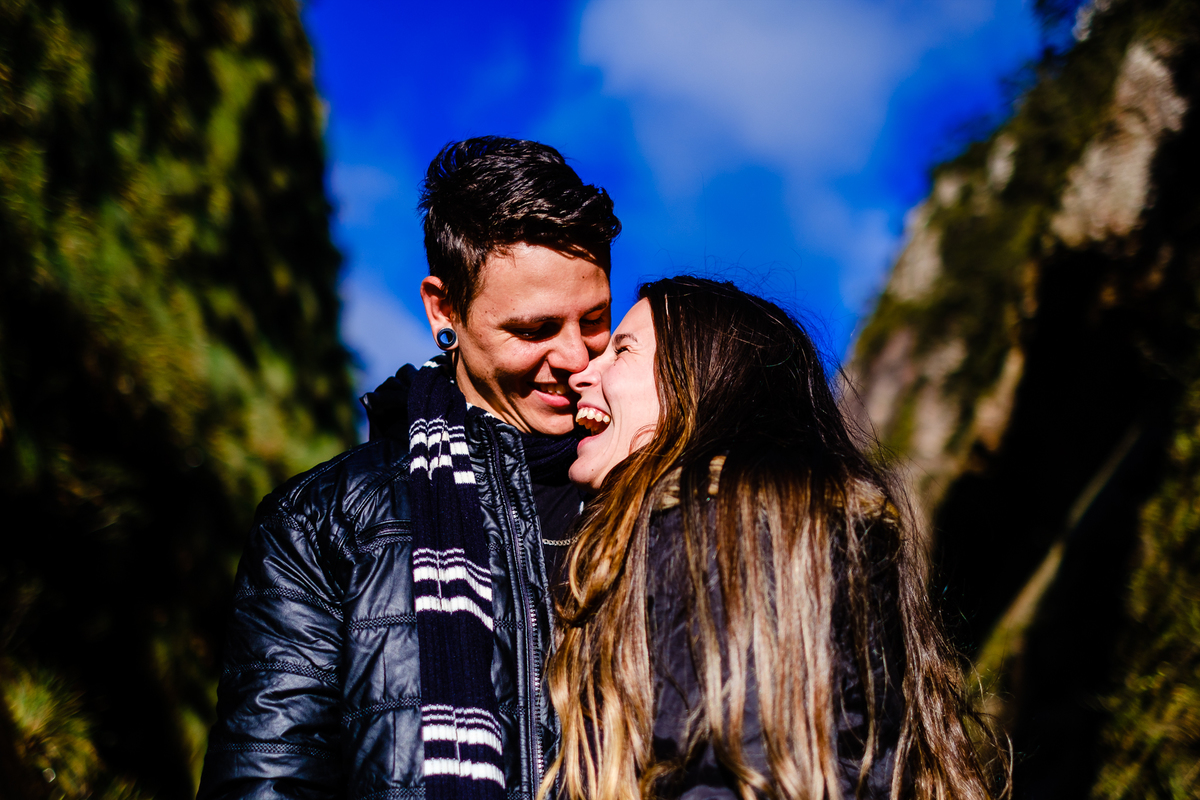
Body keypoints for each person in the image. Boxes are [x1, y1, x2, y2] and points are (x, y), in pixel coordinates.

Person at [198, 137, 621, 800]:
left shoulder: (661, 496)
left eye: (593, 319)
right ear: (443, 309)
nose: (575, 357)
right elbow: (267, 780)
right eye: (534, 330)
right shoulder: (321, 523)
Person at [546, 277, 1011, 800]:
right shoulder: (772, 535)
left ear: (699, 384)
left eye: (623, 350)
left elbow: (728, 775)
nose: (582, 373)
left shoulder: (722, 531)